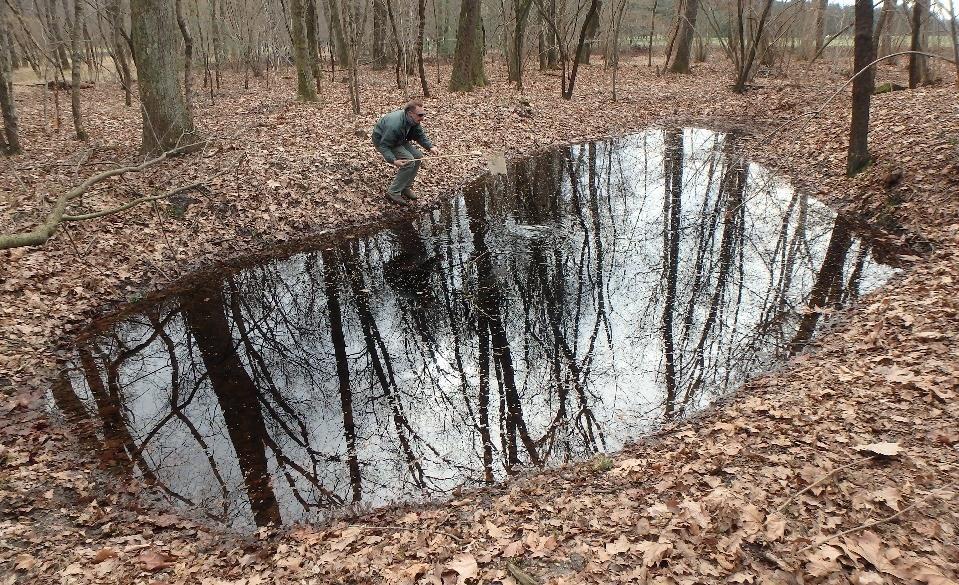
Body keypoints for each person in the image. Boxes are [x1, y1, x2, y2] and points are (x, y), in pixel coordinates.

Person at [371, 100, 438, 206]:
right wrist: (393, 160)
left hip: (399, 139)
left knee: (417, 156)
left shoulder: (413, 120)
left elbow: (419, 135)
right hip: (384, 141)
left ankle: (405, 187)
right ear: (410, 114)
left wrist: (430, 147)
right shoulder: (394, 125)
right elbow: (383, 146)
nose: (422, 118)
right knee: (409, 161)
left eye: (423, 114)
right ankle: (393, 192)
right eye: (420, 115)